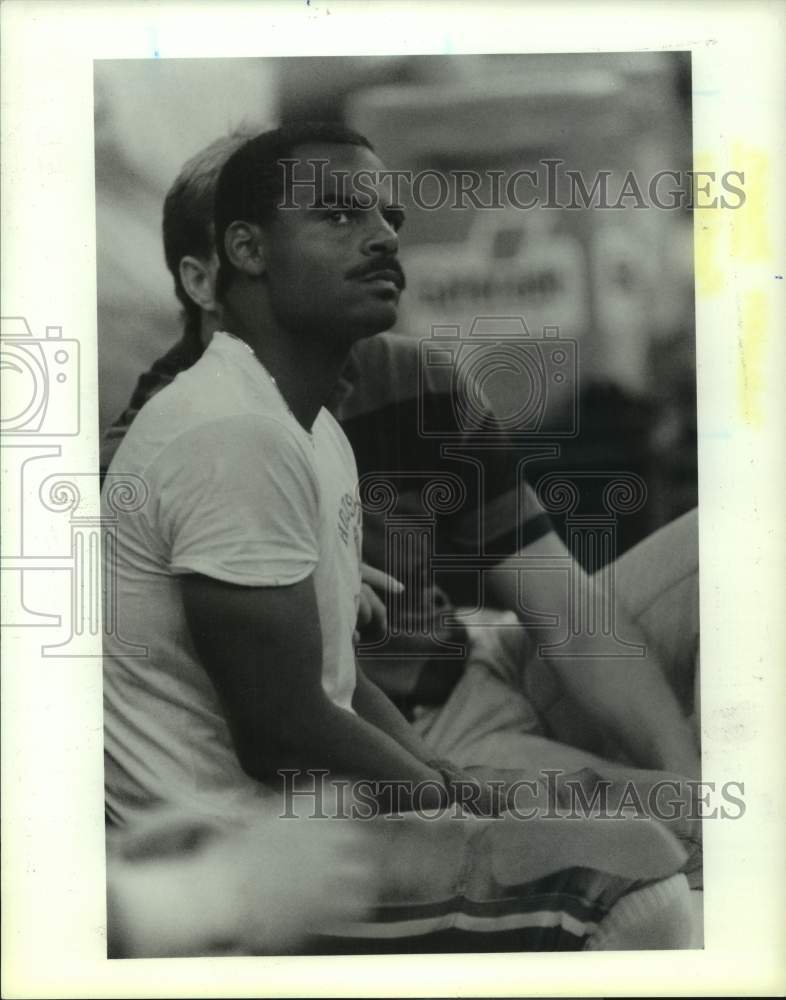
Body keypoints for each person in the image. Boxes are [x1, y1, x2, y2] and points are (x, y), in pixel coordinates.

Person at [101, 123, 700, 953]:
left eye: (386, 216)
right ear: (231, 262)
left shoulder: (327, 413)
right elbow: (283, 726)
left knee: (724, 562)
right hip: (314, 797)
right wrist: (453, 795)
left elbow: (560, 608)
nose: (383, 237)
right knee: (645, 866)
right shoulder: (205, 431)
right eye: (335, 216)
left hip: (454, 683)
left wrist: (686, 782)